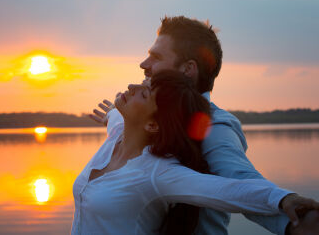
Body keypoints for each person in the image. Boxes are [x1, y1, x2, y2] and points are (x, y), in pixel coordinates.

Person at [90, 16, 319, 234]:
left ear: (187, 69)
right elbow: (124, 127)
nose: (143, 64)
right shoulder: (154, 117)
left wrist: (295, 215)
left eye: (156, 57)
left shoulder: (213, 126)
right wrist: (114, 115)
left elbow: (238, 180)